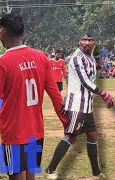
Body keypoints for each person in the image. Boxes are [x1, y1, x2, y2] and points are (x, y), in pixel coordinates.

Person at [0, 13, 66, 180]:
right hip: (36, 132)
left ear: (2, 33)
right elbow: (56, 96)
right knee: (30, 175)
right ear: (23, 33)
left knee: (17, 176)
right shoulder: (41, 58)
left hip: (14, 134)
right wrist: (67, 123)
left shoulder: (1, 63)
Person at [45, 33, 115, 179]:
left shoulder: (89, 57)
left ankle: (96, 172)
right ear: (79, 42)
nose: (87, 43)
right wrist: (103, 94)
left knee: (93, 134)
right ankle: (50, 170)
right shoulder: (77, 58)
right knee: (71, 136)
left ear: (94, 42)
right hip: (77, 105)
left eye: (90, 40)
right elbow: (84, 80)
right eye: (84, 40)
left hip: (86, 105)